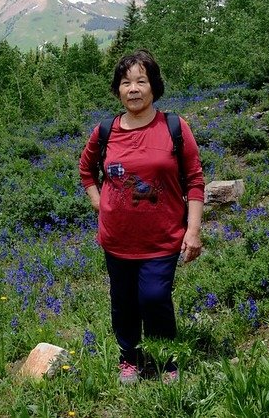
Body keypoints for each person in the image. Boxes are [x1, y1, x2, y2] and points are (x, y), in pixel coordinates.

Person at [78, 49, 205, 384]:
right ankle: (129, 358)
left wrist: (193, 230)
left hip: (162, 238)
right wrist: (99, 202)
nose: (133, 89)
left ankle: (164, 359)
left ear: (153, 87)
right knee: (123, 301)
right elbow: (86, 171)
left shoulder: (175, 128)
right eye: (125, 82)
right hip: (116, 239)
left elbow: (194, 180)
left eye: (140, 81)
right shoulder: (104, 131)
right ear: (118, 90)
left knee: (154, 297)